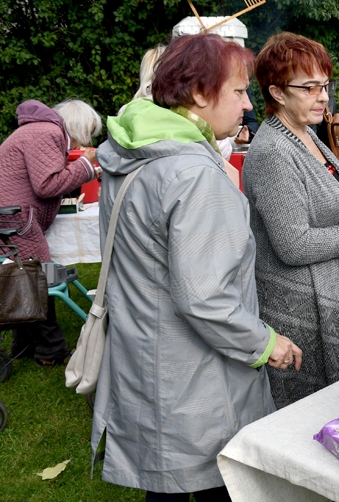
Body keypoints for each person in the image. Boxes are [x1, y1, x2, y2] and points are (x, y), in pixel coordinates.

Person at [92, 33, 303, 501]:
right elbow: (205, 297)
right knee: (214, 481)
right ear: (200, 94)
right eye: (238, 91)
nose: (247, 105)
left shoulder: (130, 153)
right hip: (195, 379)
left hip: (147, 361)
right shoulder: (193, 174)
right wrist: (266, 343)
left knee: (166, 485)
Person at [244, 32, 339, 407]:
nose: (323, 96)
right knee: (313, 415)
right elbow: (292, 243)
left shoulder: (307, 135)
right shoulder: (272, 151)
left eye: (325, 85)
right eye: (310, 87)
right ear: (278, 92)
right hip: (303, 313)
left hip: (333, 298)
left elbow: (325, 201)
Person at [0, 99, 101, 366]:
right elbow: (47, 185)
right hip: (15, 218)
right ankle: (51, 351)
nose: (86, 139)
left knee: (23, 278)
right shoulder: (48, 133)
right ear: (77, 125)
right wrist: (86, 166)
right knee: (37, 281)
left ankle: (24, 346)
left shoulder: (40, 131)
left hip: (13, 216)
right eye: (88, 131)